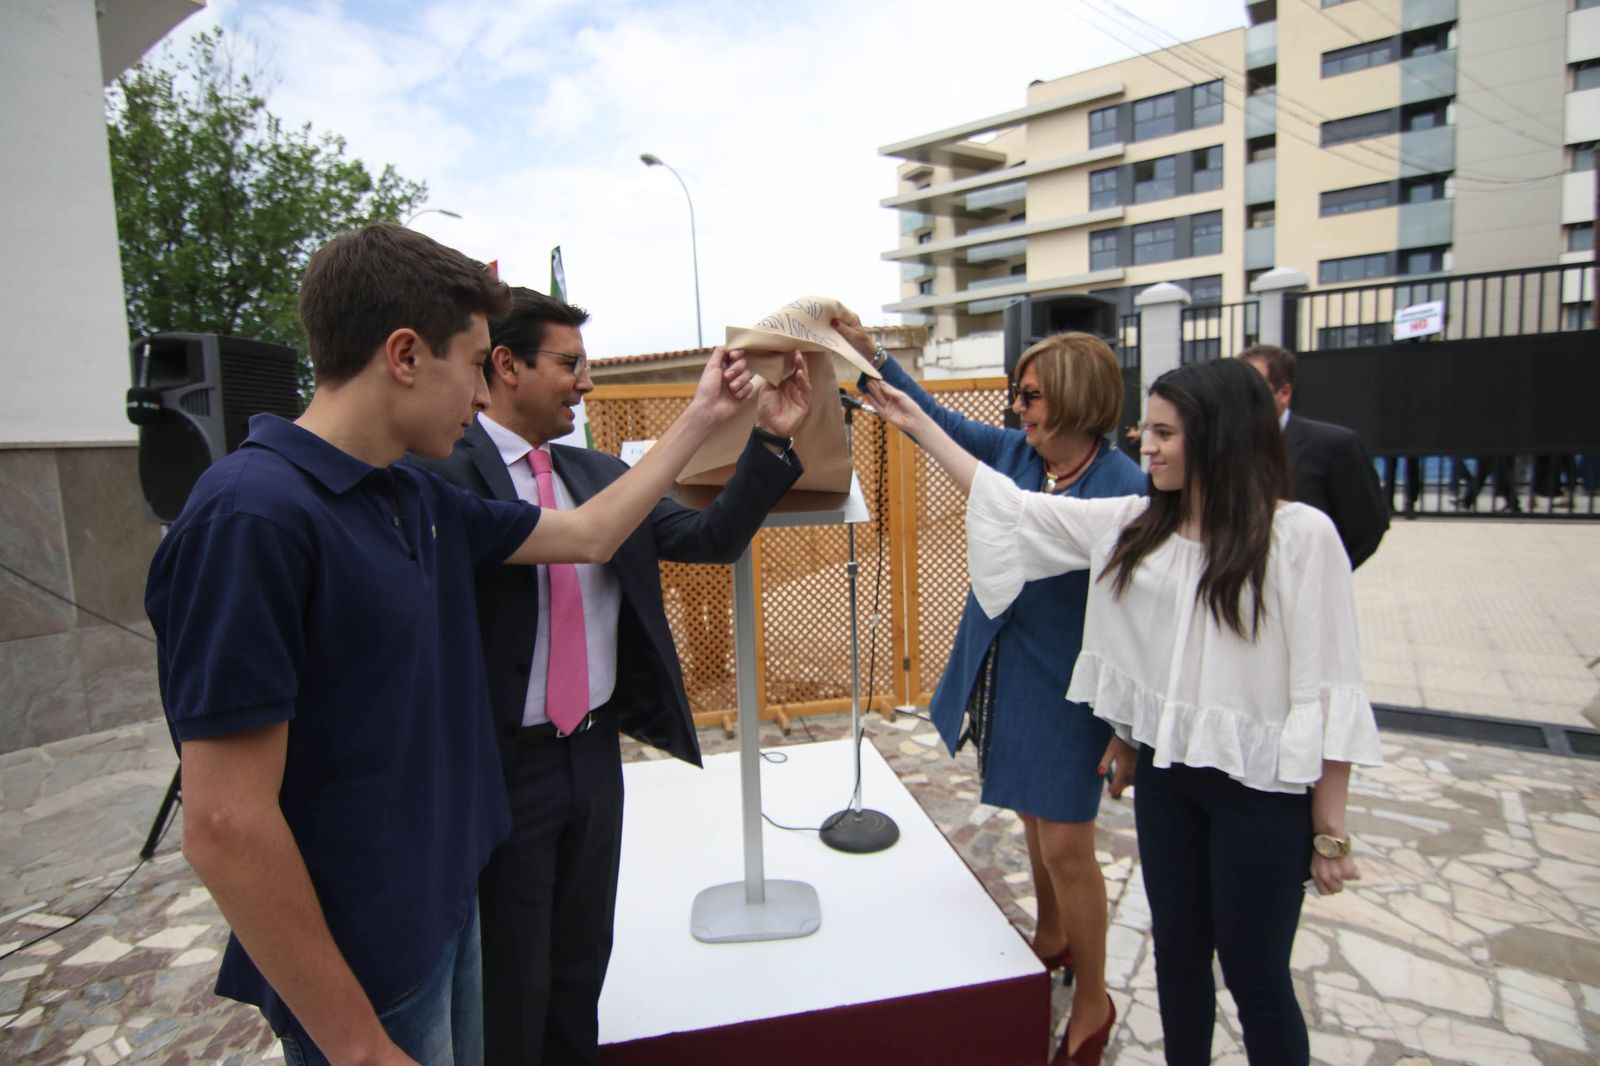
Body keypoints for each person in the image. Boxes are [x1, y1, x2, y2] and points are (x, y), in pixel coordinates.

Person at [144, 223, 756, 1066]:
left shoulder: (406, 495)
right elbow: (222, 821)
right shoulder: (252, 517)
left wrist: (704, 416)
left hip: (445, 913)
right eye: (474, 363)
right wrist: (358, 1045)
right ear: (404, 355)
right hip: (369, 966)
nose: (482, 394)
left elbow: (586, 533)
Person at [864, 358, 1383, 1066]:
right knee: (1176, 961)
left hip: (1261, 797)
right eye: (1150, 430)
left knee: (1257, 980)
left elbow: (1332, 688)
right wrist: (912, 417)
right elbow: (1011, 505)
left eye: (1167, 434)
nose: (1150, 447)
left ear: (1220, 437)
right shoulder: (1138, 524)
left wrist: (1329, 826)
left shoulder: (1302, 537)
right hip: (1170, 786)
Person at [408, 288, 810, 1065]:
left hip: (591, 759)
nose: (586, 383)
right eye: (569, 364)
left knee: (580, 963)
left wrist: (769, 443)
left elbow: (708, 538)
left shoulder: (596, 473)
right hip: (500, 766)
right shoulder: (441, 478)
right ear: (505, 366)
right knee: (513, 980)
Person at [832, 315, 1142, 1062]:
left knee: (1068, 844)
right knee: (1034, 825)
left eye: (1030, 395)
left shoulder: (1121, 485)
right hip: (1011, 663)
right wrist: (873, 356)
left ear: (1071, 398)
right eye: (1018, 394)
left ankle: (1094, 1003)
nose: (1017, 408)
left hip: (1074, 687)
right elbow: (934, 423)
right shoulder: (1017, 454)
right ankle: (1053, 935)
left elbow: (1144, 616)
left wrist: (1128, 726)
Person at [1240, 345, 1388, 568]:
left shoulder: (1334, 445)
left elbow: (1368, 526)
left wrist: (1322, 574)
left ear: (1284, 392)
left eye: (1252, 391)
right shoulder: (1225, 445)